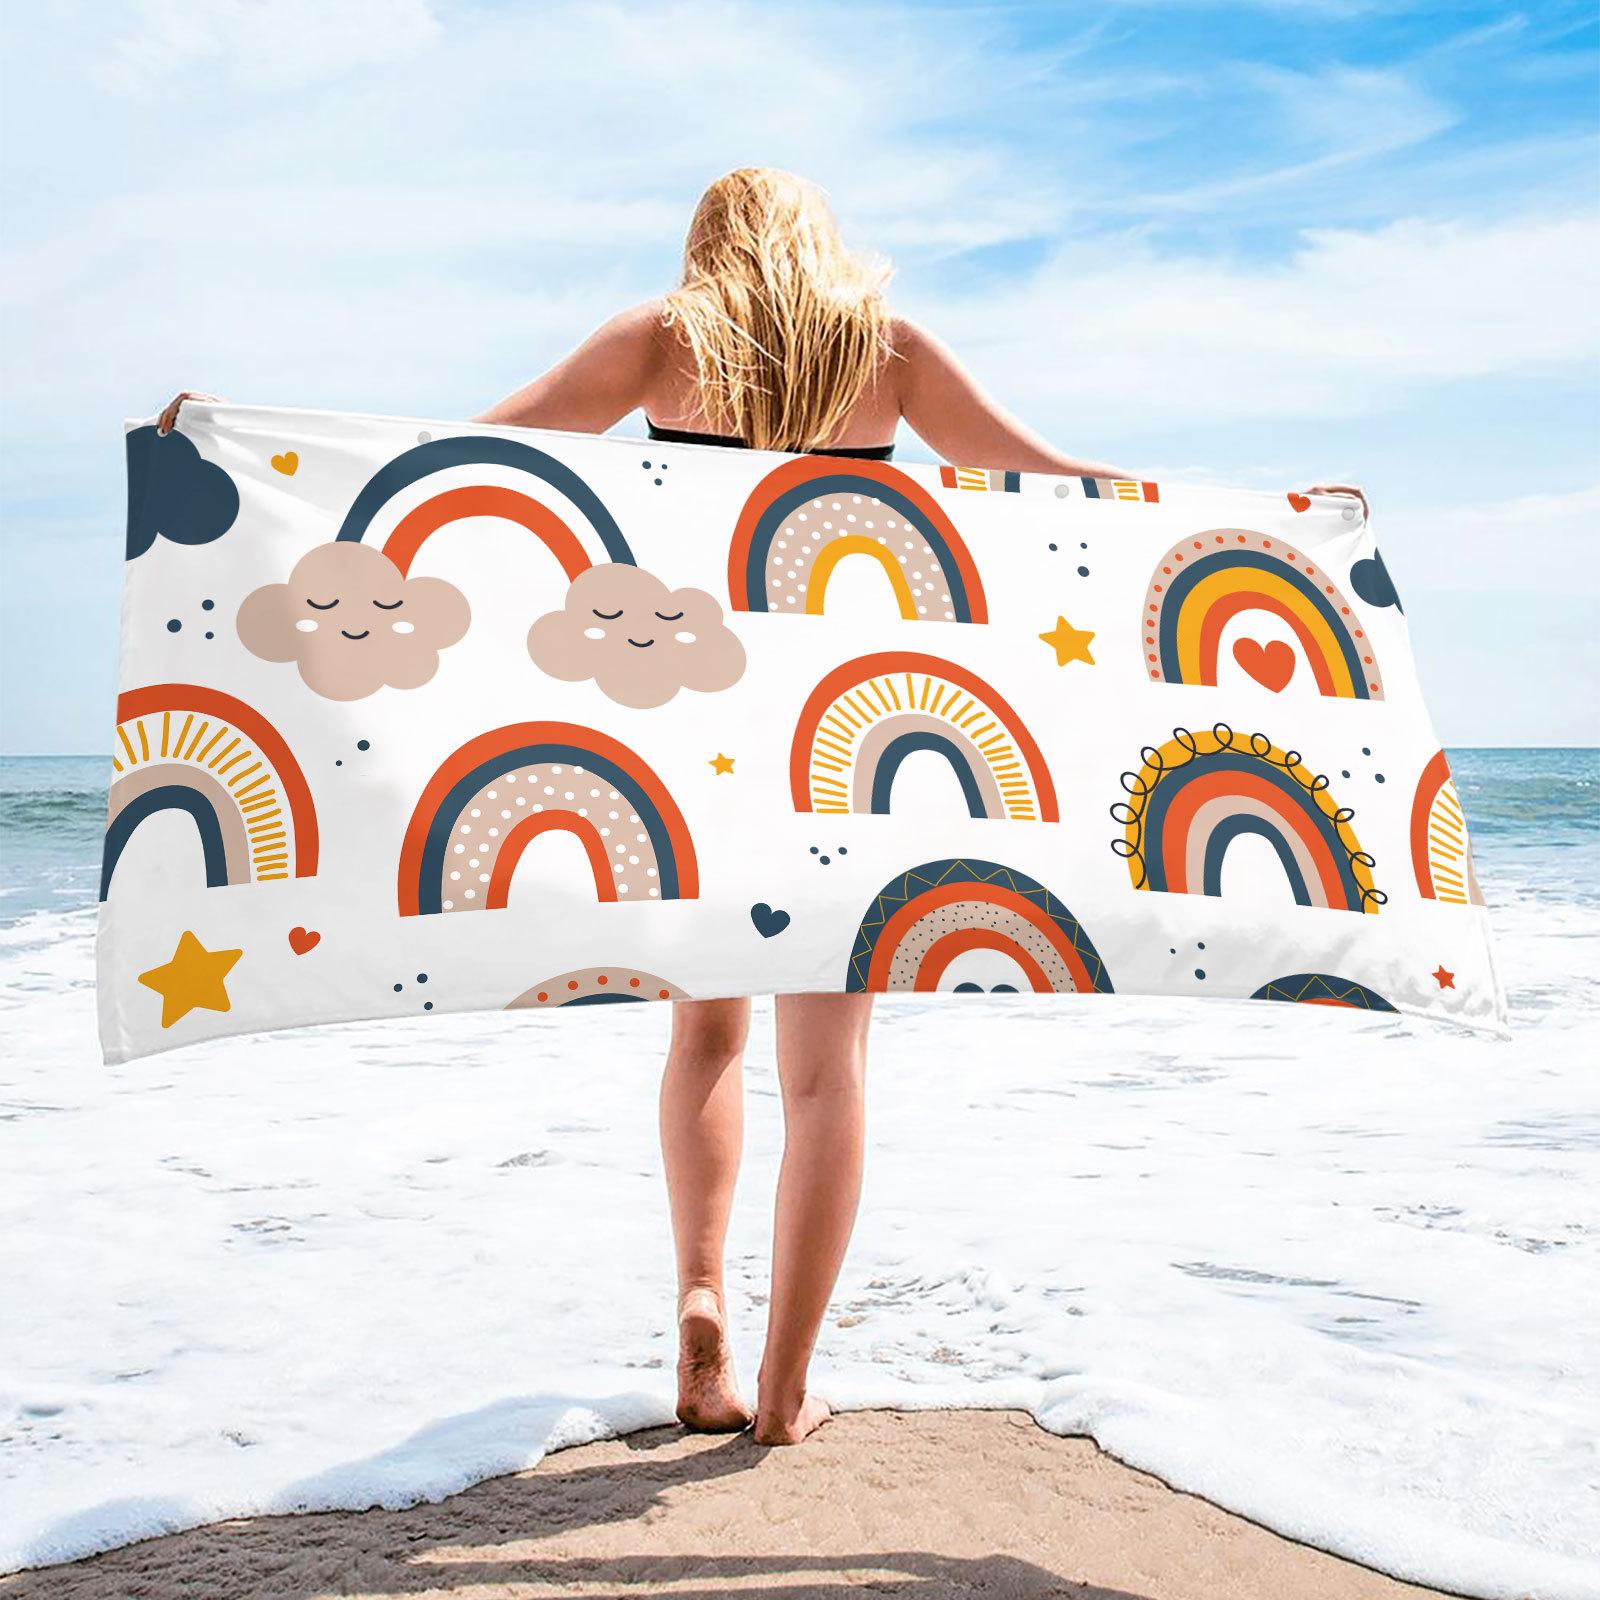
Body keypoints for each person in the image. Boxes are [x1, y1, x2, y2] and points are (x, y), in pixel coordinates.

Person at [158, 165, 1362, 1447]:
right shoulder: (887, 350)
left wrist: (241, 444)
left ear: (706, 245)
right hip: (841, 743)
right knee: (828, 1077)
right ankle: (784, 1394)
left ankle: (699, 1304)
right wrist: (1276, 527)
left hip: (688, 722)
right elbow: (1058, 482)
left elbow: (460, 460)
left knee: (705, 1039)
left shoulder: (660, 341)